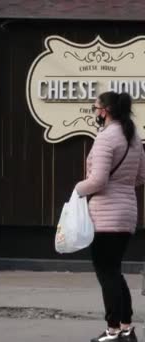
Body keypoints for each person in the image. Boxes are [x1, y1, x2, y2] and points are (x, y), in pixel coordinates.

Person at [75, 91, 145, 342]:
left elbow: (99, 180)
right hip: (127, 214)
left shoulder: (106, 138)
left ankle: (113, 329)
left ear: (105, 110)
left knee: (106, 273)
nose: (95, 111)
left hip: (105, 216)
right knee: (114, 271)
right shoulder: (133, 137)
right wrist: (121, 186)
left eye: (95, 107)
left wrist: (77, 189)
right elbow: (140, 177)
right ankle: (126, 328)